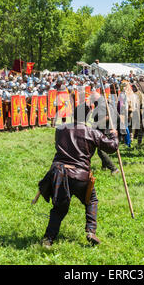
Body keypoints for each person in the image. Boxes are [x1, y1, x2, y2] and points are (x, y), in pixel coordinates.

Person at [38, 103, 119, 247]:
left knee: (59, 208)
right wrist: (114, 135)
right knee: (91, 201)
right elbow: (112, 147)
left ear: (73, 115)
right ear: (87, 117)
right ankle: (91, 231)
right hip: (80, 176)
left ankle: (48, 240)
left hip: (61, 175)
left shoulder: (60, 129)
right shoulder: (92, 132)